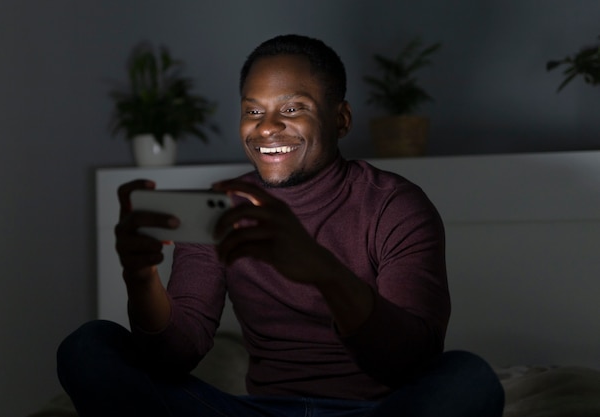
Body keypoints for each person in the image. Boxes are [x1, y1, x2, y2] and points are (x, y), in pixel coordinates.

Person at [57, 34, 504, 416]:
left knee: (468, 379)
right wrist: (140, 278)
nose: (267, 128)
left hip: (375, 412)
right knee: (89, 347)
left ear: (341, 119)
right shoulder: (223, 207)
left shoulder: (395, 205)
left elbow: (410, 362)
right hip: (257, 411)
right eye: (253, 111)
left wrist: (321, 270)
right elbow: (176, 355)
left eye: (292, 109)